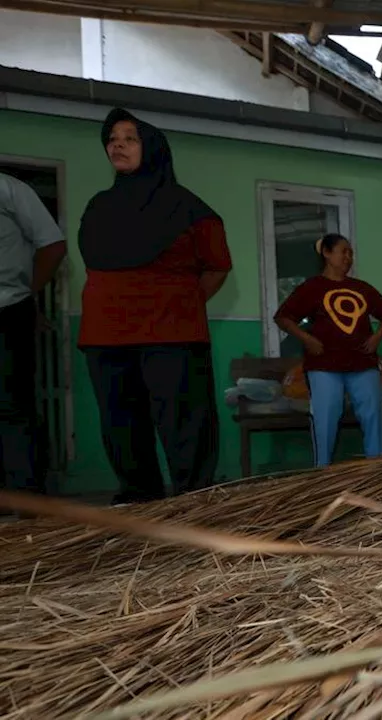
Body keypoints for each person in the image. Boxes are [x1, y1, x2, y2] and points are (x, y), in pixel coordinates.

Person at [79, 108, 231, 503]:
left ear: (152, 147)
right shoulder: (98, 207)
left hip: (171, 331)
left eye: (129, 138)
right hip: (106, 334)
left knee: (182, 421)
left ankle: (192, 501)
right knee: (121, 424)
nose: (117, 144)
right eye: (112, 139)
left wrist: (181, 304)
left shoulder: (189, 208)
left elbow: (217, 267)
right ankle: (138, 500)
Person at [275, 233, 382, 468]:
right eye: (343, 251)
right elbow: (283, 317)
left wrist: (377, 337)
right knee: (326, 418)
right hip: (324, 365)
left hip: (362, 363)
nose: (348, 257)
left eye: (351, 253)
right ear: (327, 254)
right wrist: (306, 338)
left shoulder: (361, 288)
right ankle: (323, 471)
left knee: (372, 417)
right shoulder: (312, 287)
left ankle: (377, 468)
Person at [0, 173, 66, 496]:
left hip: (8, 309)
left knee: (13, 405)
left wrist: (28, 294)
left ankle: (26, 504)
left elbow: (53, 245)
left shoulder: (9, 189)